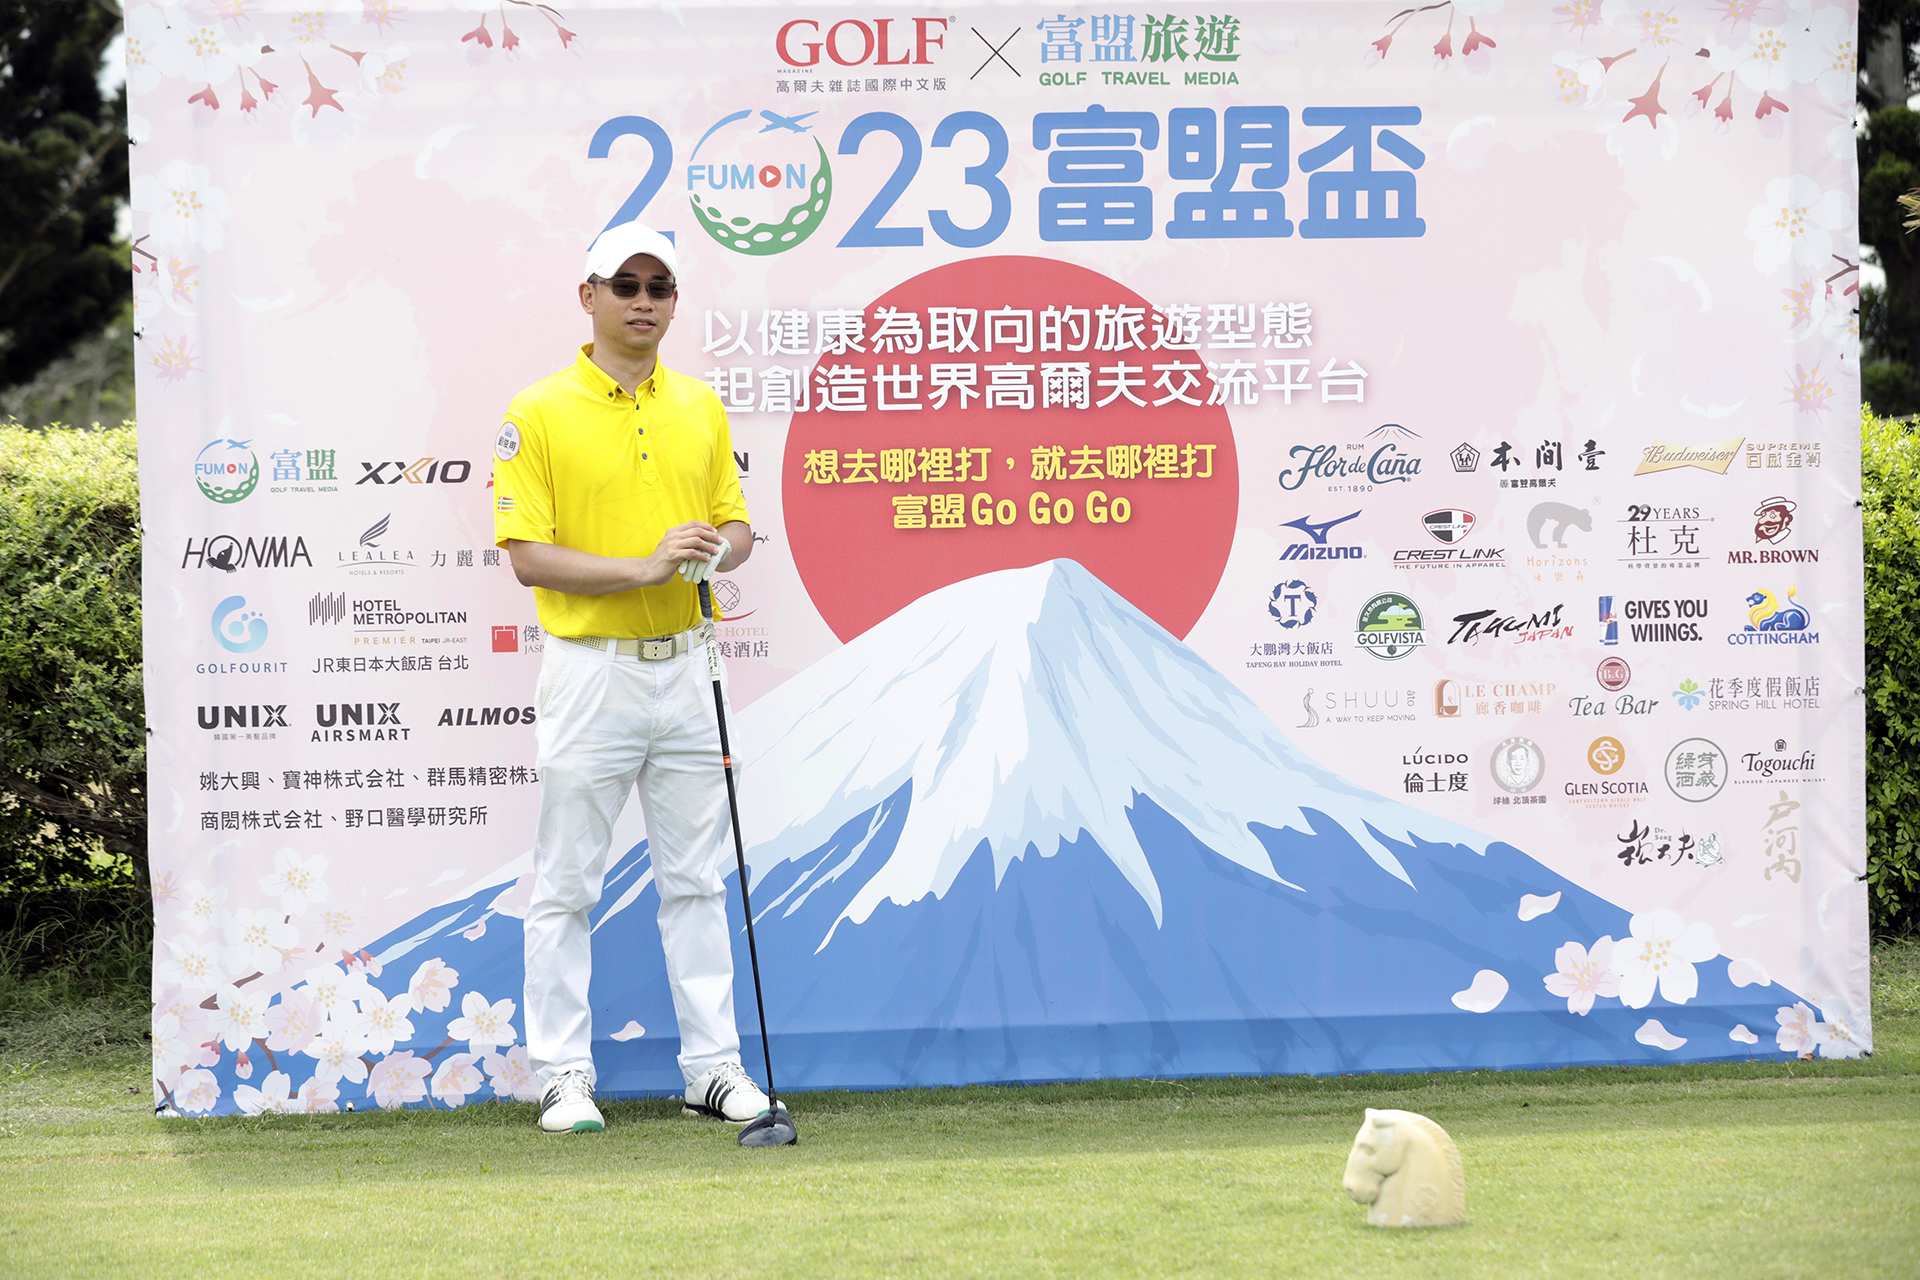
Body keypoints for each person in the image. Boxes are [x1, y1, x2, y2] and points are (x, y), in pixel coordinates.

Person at [491, 220, 766, 1135]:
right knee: (567, 884)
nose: (643, 301)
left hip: (688, 667)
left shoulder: (700, 405)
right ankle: (563, 1076)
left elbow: (737, 526)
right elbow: (528, 556)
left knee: (696, 881)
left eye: (659, 287)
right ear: (589, 297)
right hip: (591, 671)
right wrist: (645, 568)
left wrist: (714, 551)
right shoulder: (538, 411)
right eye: (625, 285)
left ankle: (713, 1071)